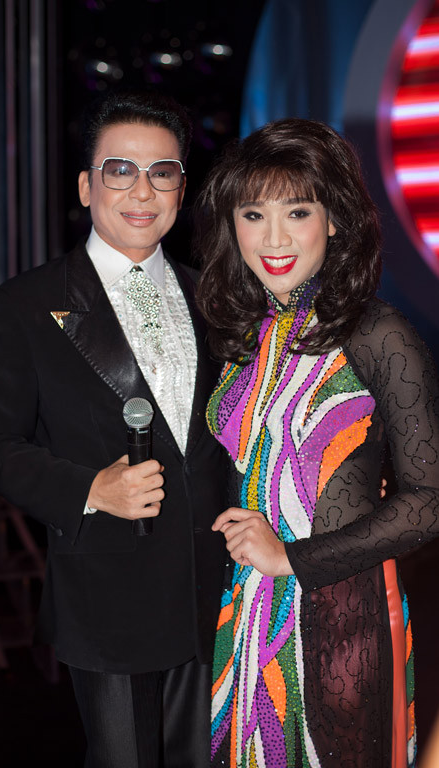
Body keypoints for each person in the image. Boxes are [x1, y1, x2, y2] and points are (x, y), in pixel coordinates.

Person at [0, 89, 228, 768]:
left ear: (181, 189)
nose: (142, 190)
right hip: (110, 598)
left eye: (162, 172)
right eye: (120, 170)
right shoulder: (27, 304)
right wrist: (89, 490)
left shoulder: (217, 297)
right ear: (86, 186)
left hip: (221, 591)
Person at [195, 118, 439, 768]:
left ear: (334, 220)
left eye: (297, 212)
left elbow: (428, 502)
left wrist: (291, 559)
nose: (274, 239)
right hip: (247, 610)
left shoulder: (377, 333)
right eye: (253, 215)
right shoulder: (245, 335)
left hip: (342, 620)